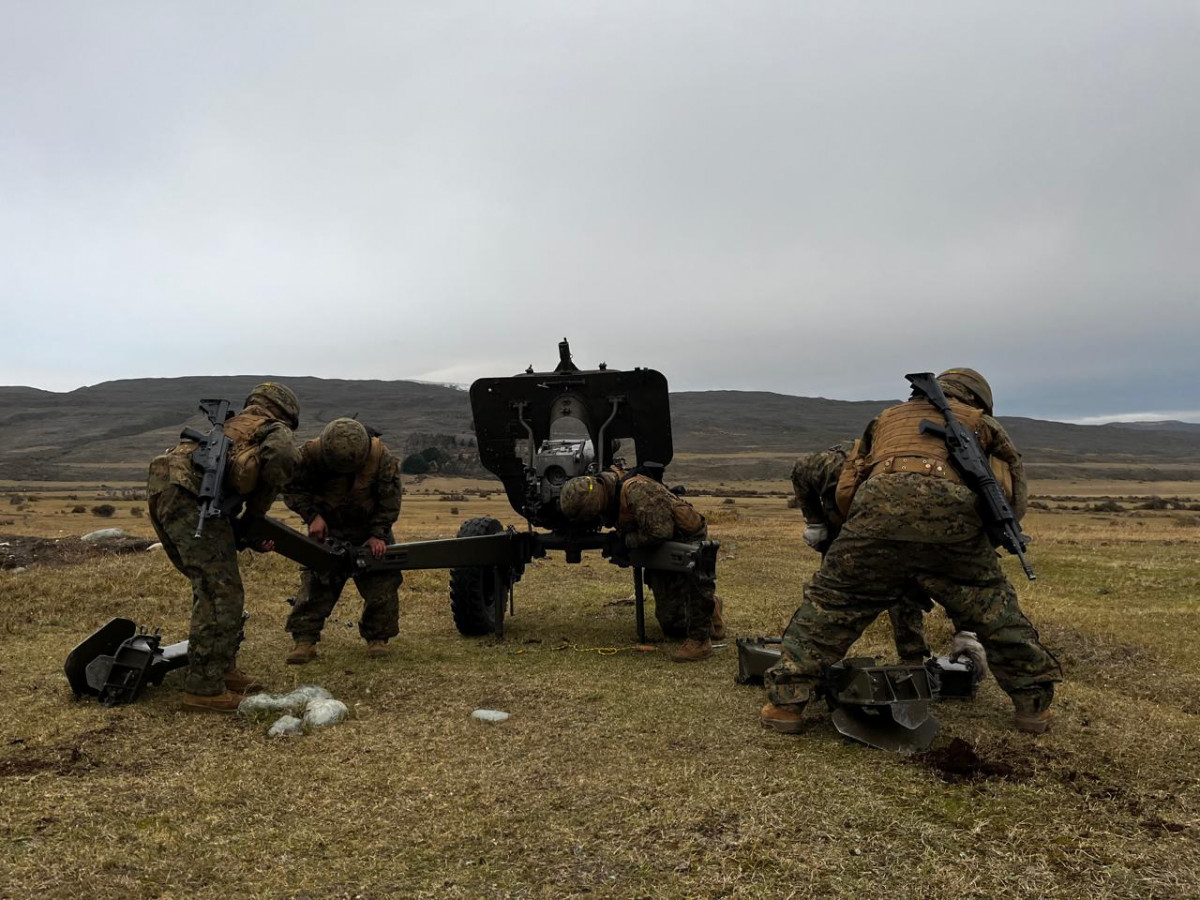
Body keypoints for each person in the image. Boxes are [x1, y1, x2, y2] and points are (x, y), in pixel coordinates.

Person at [762, 368, 1061, 735]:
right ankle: (1032, 706)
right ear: (978, 399)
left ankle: (786, 704)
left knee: (833, 604)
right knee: (993, 609)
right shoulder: (984, 425)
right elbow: (1011, 495)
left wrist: (857, 529)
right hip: (954, 528)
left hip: (874, 517)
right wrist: (986, 545)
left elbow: (853, 476)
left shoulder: (884, 420)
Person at [147, 382, 301, 713]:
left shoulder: (234, 427)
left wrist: (244, 534)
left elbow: (226, 491)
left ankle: (220, 668)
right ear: (286, 413)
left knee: (209, 584)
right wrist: (258, 513)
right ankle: (204, 689)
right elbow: (284, 458)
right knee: (221, 592)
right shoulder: (273, 429)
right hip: (188, 492)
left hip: (164, 486)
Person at [558, 467, 724, 662]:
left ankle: (700, 640)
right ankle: (711, 608)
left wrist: (627, 542)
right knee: (673, 625)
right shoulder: (610, 492)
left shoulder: (637, 491)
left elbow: (660, 532)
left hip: (685, 539)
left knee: (695, 585)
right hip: (660, 542)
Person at [791, 441, 931, 662]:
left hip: (891, 527)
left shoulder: (904, 487)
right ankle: (809, 658)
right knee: (829, 591)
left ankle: (913, 655)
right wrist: (814, 521)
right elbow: (800, 469)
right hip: (839, 520)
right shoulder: (827, 465)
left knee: (902, 582)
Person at [282, 417, 403, 663]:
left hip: (368, 528)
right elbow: (292, 487)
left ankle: (377, 638)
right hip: (328, 529)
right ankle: (304, 640)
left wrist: (378, 534)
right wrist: (312, 517)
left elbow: (390, 500)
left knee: (382, 584)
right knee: (316, 586)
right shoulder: (308, 456)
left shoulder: (381, 458)